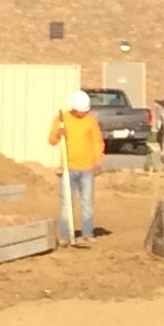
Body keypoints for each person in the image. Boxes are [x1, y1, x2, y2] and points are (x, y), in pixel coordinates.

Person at [49, 90, 105, 247]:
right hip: (68, 168)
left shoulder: (90, 121)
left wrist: (98, 160)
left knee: (87, 202)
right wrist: (58, 133)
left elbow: (97, 142)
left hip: (87, 168)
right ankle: (66, 235)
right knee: (67, 203)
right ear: (73, 108)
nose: (83, 113)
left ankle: (87, 233)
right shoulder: (62, 120)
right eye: (81, 111)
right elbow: (52, 140)